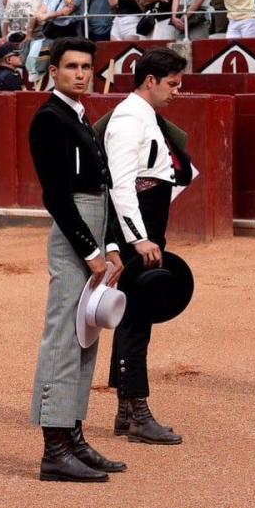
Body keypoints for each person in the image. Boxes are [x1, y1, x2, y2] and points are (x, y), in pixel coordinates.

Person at [28, 37, 126, 483]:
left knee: (86, 335)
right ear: (54, 71)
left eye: (86, 67)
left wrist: (111, 246)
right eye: (71, 67)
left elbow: (102, 189)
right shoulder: (49, 118)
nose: (81, 74)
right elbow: (56, 195)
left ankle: (74, 436)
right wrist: (90, 249)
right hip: (74, 233)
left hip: (93, 224)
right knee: (65, 335)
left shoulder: (78, 114)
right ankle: (54, 448)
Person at [101, 48, 190, 446]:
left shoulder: (144, 116)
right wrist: (138, 237)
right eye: (172, 83)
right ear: (150, 80)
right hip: (137, 229)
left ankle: (126, 411)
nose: (177, 91)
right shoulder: (128, 119)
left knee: (136, 314)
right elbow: (121, 184)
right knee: (137, 317)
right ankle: (137, 411)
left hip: (146, 223)